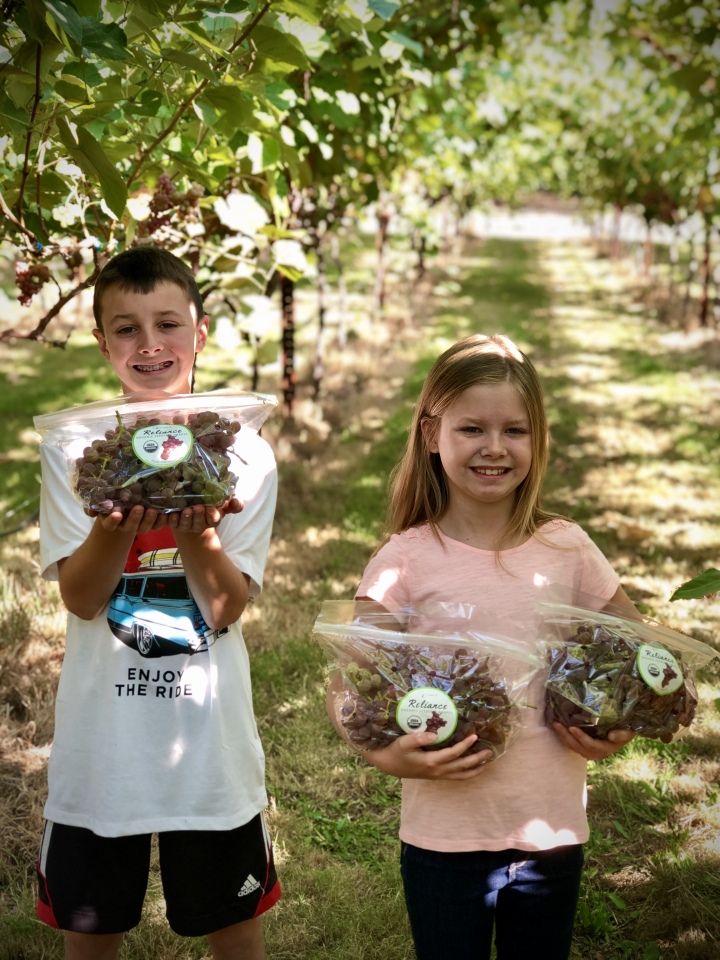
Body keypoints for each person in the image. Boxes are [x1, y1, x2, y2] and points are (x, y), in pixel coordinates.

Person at [354, 334, 639, 960]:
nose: (494, 447)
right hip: (443, 833)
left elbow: (634, 654)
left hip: (550, 829)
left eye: (515, 430)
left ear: (538, 440)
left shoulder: (567, 548)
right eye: (472, 428)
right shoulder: (406, 560)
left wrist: (619, 723)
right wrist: (387, 758)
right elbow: (350, 682)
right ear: (433, 434)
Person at [35, 246, 280, 960]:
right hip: (100, 747)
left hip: (209, 746)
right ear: (101, 340)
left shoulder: (242, 456)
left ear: (200, 334)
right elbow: (81, 599)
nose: (150, 346)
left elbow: (225, 608)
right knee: (92, 926)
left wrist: (196, 531)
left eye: (169, 325)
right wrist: (115, 526)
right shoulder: (76, 450)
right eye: (126, 329)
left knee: (232, 928)